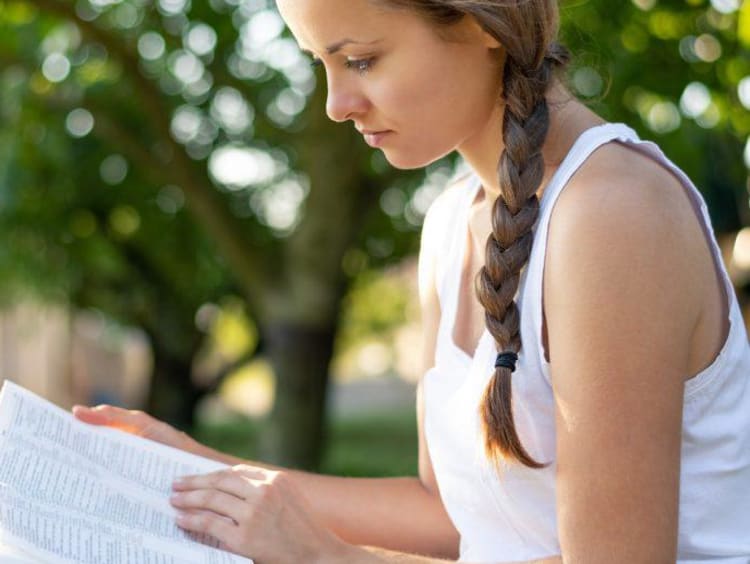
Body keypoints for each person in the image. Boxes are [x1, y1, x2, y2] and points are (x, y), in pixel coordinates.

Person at [73, 0, 750, 562]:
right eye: (321, 64)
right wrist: (202, 471)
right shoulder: (452, 221)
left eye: (361, 59)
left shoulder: (611, 215)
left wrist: (330, 558)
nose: (336, 104)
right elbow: (448, 519)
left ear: (485, 21)